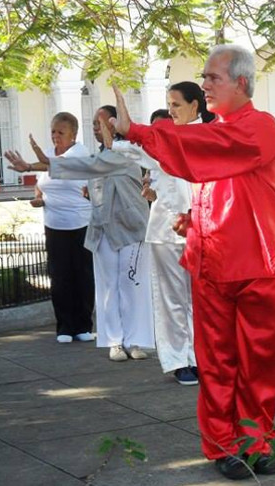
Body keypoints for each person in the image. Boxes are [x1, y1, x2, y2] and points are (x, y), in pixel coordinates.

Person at [109, 45, 275, 480]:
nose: (205, 84)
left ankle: (255, 442)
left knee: (259, 365)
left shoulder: (260, 127)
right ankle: (224, 446)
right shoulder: (219, 131)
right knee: (217, 363)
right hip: (213, 263)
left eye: (213, 78)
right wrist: (194, 219)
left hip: (260, 265)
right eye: (205, 78)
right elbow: (214, 181)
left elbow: (211, 151)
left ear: (241, 83)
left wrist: (140, 131)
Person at [5, 106, 154, 360]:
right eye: (94, 124)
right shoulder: (100, 156)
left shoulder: (127, 153)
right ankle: (115, 342)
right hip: (103, 230)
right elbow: (89, 172)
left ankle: (134, 341)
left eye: (99, 124)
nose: (94, 129)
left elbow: (87, 166)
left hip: (131, 229)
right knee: (108, 288)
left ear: (113, 124)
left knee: (131, 287)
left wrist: (34, 163)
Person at [109, 81, 214, 386]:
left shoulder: (210, 136)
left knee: (202, 301)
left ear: (196, 105)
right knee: (172, 300)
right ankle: (179, 360)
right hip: (167, 231)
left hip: (204, 230)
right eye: (168, 104)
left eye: (176, 104)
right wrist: (117, 136)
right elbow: (134, 150)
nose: (171, 110)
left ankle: (201, 358)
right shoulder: (164, 137)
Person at [28, 112, 95, 344]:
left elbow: (65, 168)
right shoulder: (47, 155)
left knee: (82, 275)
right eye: (53, 132)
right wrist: (39, 199)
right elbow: (41, 186)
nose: (56, 136)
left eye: (61, 132)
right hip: (54, 224)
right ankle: (64, 326)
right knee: (59, 276)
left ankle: (83, 324)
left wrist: (33, 161)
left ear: (73, 134)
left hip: (80, 223)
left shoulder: (79, 153)